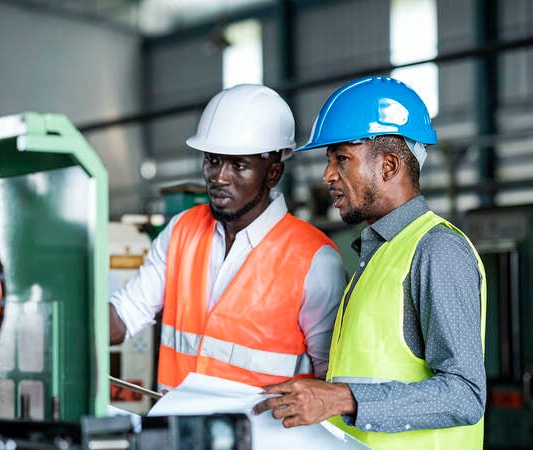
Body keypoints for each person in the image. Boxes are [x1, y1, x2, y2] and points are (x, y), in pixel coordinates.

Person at [254, 76, 487, 449]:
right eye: (329, 161)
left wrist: (340, 398)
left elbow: (465, 394)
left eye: (341, 158)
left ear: (390, 166)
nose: (327, 175)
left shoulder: (436, 250)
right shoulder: (378, 255)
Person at [109, 83, 346, 391]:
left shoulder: (314, 260)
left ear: (273, 173)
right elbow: (125, 314)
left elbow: (330, 380)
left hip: (265, 438)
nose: (219, 177)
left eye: (238, 165)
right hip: (179, 434)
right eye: (212, 160)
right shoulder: (181, 231)